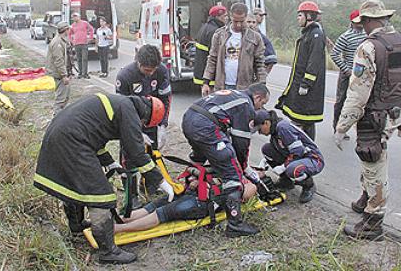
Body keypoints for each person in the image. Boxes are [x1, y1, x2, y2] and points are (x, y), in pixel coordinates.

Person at [34, 93, 173, 264]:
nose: (142, 126)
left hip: (63, 134)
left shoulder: (121, 103)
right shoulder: (129, 111)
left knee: (75, 185)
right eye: (144, 125)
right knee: (100, 194)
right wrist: (160, 181)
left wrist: (110, 163)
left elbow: (94, 137)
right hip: (72, 141)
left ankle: (77, 226)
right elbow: (137, 153)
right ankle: (108, 251)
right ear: (146, 117)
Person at [334, 0, 401, 240]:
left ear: (369, 21)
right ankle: (365, 198)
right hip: (393, 113)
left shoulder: (369, 48)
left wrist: (342, 126)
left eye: (363, 22)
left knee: (373, 161)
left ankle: (373, 222)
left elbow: (358, 93)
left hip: (373, 115)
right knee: (371, 157)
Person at [181, 84, 269, 237]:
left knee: (199, 159)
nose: (260, 108)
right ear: (257, 97)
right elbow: (241, 142)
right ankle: (235, 224)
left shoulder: (235, 94)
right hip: (205, 126)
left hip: (189, 119)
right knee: (232, 173)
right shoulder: (246, 105)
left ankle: (187, 190)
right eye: (262, 104)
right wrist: (243, 169)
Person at [116, 45, 171, 206]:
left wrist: (162, 125)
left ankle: (149, 185)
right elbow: (121, 108)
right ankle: (131, 195)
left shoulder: (161, 71)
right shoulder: (125, 76)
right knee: (130, 159)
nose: (150, 73)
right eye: (147, 70)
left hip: (153, 120)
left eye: (153, 70)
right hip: (131, 122)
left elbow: (166, 98)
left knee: (153, 154)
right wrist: (135, 132)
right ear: (138, 62)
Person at [114, 180, 258, 233]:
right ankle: (117, 220)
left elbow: (244, 193)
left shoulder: (248, 183)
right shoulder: (225, 163)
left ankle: (117, 229)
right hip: (191, 192)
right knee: (151, 207)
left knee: (160, 213)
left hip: (203, 203)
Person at [275, 1, 326, 140]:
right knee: (303, 120)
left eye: (299, 15)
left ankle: (307, 148)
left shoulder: (316, 34)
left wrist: (306, 83)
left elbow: (314, 61)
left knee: (305, 120)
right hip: (300, 83)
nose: (298, 18)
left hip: (307, 87)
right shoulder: (308, 33)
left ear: (308, 16)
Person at [252, 109, 324, 203]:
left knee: (292, 169)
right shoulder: (274, 131)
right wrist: (263, 163)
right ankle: (286, 181)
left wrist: (283, 167)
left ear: (266, 123)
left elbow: (298, 151)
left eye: (259, 129)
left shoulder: (283, 128)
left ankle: (309, 185)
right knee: (267, 149)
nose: (260, 133)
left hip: (313, 158)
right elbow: (278, 148)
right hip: (298, 156)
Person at [202, 3, 267, 97]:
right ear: (230, 16)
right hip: (222, 87)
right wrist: (206, 82)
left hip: (245, 88)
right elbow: (212, 59)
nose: (239, 24)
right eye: (235, 21)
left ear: (246, 17)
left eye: (242, 21)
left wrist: (262, 85)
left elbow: (260, 63)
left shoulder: (255, 37)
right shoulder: (219, 34)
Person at [330, 9, 366, 132]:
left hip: (361, 74)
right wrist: (346, 70)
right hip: (347, 73)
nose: (360, 24)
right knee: (341, 101)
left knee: (360, 102)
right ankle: (338, 127)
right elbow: (334, 54)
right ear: (352, 22)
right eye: (357, 22)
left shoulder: (366, 35)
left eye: (361, 21)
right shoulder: (345, 37)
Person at [193, 5, 228, 86]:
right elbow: (217, 54)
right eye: (225, 16)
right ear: (217, 17)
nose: (227, 18)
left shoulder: (206, 27)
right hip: (210, 76)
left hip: (201, 70)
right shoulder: (215, 31)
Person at [46, 21, 73, 116]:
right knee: (61, 99)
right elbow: (59, 61)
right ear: (65, 30)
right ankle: (57, 118)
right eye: (68, 29)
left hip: (64, 73)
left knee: (65, 97)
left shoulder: (62, 40)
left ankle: (62, 117)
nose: (69, 31)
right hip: (60, 75)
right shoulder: (57, 42)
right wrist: (64, 75)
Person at [249, 9, 277, 74]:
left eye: (263, 16)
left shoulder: (260, 36)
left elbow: (272, 58)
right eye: (260, 15)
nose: (262, 18)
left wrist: (264, 75)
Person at [69, 12, 94, 79]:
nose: (74, 18)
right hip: (76, 44)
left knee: (85, 58)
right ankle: (80, 73)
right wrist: (71, 41)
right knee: (79, 59)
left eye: (75, 16)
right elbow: (69, 34)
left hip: (84, 43)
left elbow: (91, 29)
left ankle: (85, 73)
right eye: (73, 17)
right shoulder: (73, 25)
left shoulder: (84, 23)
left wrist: (90, 38)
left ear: (79, 17)